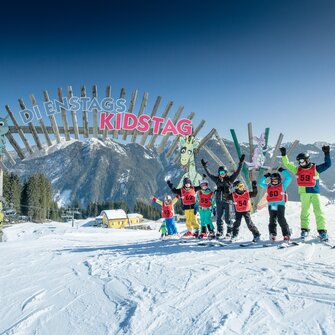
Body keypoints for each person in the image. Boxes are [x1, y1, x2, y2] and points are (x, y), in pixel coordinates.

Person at [280, 145, 331, 241]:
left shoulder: (315, 169)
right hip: (304, 194)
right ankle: (305, 229)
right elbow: (287, 164)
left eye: (302, 161)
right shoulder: (298, 170)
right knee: (304, 212)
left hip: (315, 193)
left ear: (307, 160)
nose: (300, 163)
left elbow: (328, 164)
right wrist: (283, 155)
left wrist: (327, 153)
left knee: (318, 211)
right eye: (299, 161)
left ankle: (322, 231)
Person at [201, 154, 245, 239]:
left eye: (224, 172)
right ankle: (220, 231)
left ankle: (229, 231)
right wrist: (205, 166)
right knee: (219, 218)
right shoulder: (216, 180)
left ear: (226, 173)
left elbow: (237, 173)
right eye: (221, 173)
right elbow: (209, 175)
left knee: (227, 218)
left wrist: (241, 163)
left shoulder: (229, 180)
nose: (222, 174)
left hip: (227, 201)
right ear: (219, 173)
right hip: (219, 201)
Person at [259, 168, 292, 241]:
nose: (274, 182)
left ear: (279, 180)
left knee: (281, 219)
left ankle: (286, 234)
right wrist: (265, 176)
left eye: (276, 180)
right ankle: (272, 234)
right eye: (273, 180)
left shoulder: (283, 185)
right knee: (272, 219)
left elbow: (289, 178)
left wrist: (283, 171)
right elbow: (260, 182)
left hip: (280, 205)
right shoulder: (268, 186)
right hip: (272, 205)